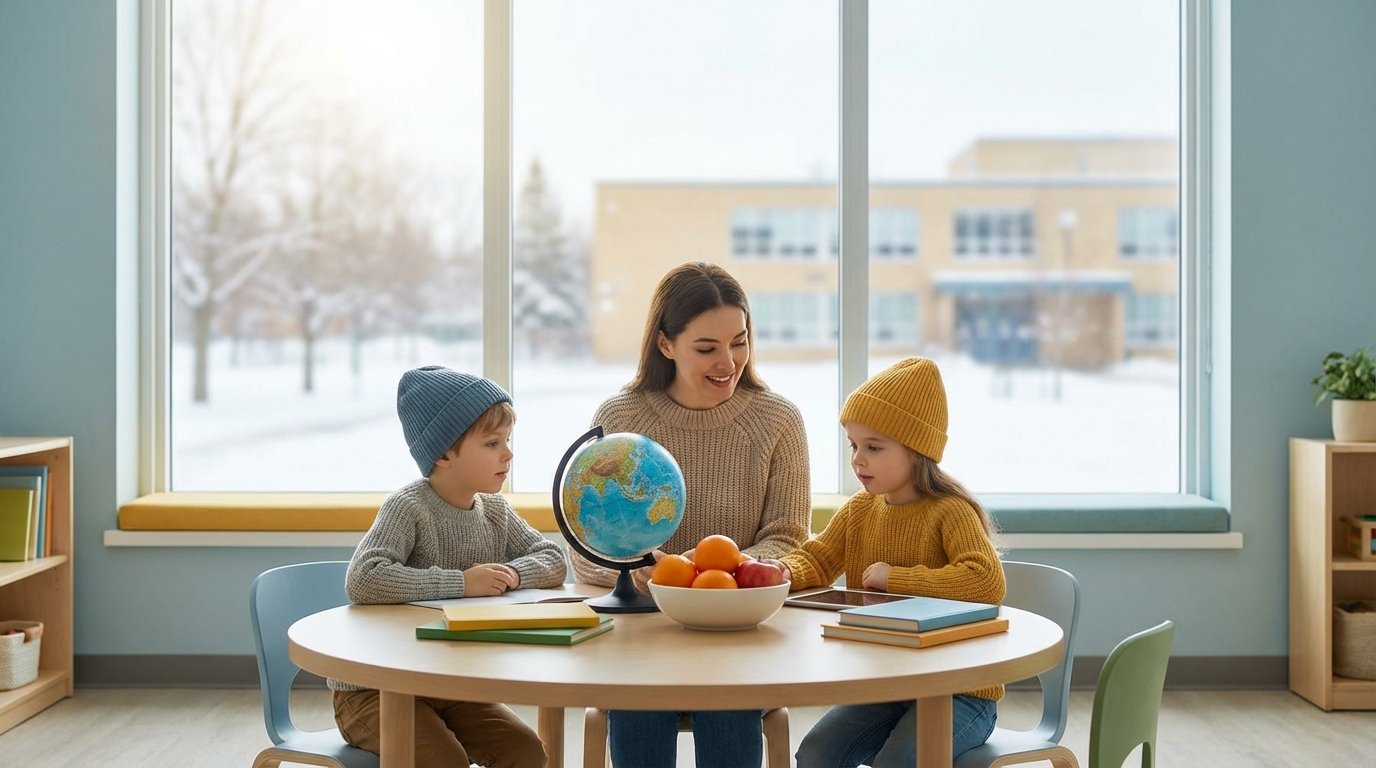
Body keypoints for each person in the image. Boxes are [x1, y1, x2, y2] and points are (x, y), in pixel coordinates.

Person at [572, 261, 811, 768]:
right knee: (640, 707)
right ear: (665, 345)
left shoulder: (779, 420)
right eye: (707, 348)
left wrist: (718, 572)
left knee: (727, 708)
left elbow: (787, 538)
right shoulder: (621, 420)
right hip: (642, 640)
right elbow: (588, 545)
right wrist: (646, 574)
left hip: (737, 638)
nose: (729, 361)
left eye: (739, 342)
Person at [775, 356, 1005, 768]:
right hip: (888, 687)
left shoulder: (950, 512)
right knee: (815, 753)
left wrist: (896, 577)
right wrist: (784, 570)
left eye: (874, 447)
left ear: (917, 451)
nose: (857, 459)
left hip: (962, 693)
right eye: (854, 445)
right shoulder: (860, 510)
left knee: (898, 763)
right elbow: (819, 556)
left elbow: (986, 581)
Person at [332, 365, 566, 768]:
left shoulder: (494, 511)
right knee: (444, 761)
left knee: (525, 752)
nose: (508, 454)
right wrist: (462, 583)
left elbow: (553, 559)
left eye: (508, 440)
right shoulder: (409, 507)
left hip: (452, 685)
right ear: (443, 454)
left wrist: (511, 575)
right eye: (492, 443)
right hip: (375, 691)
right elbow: (364, 579)